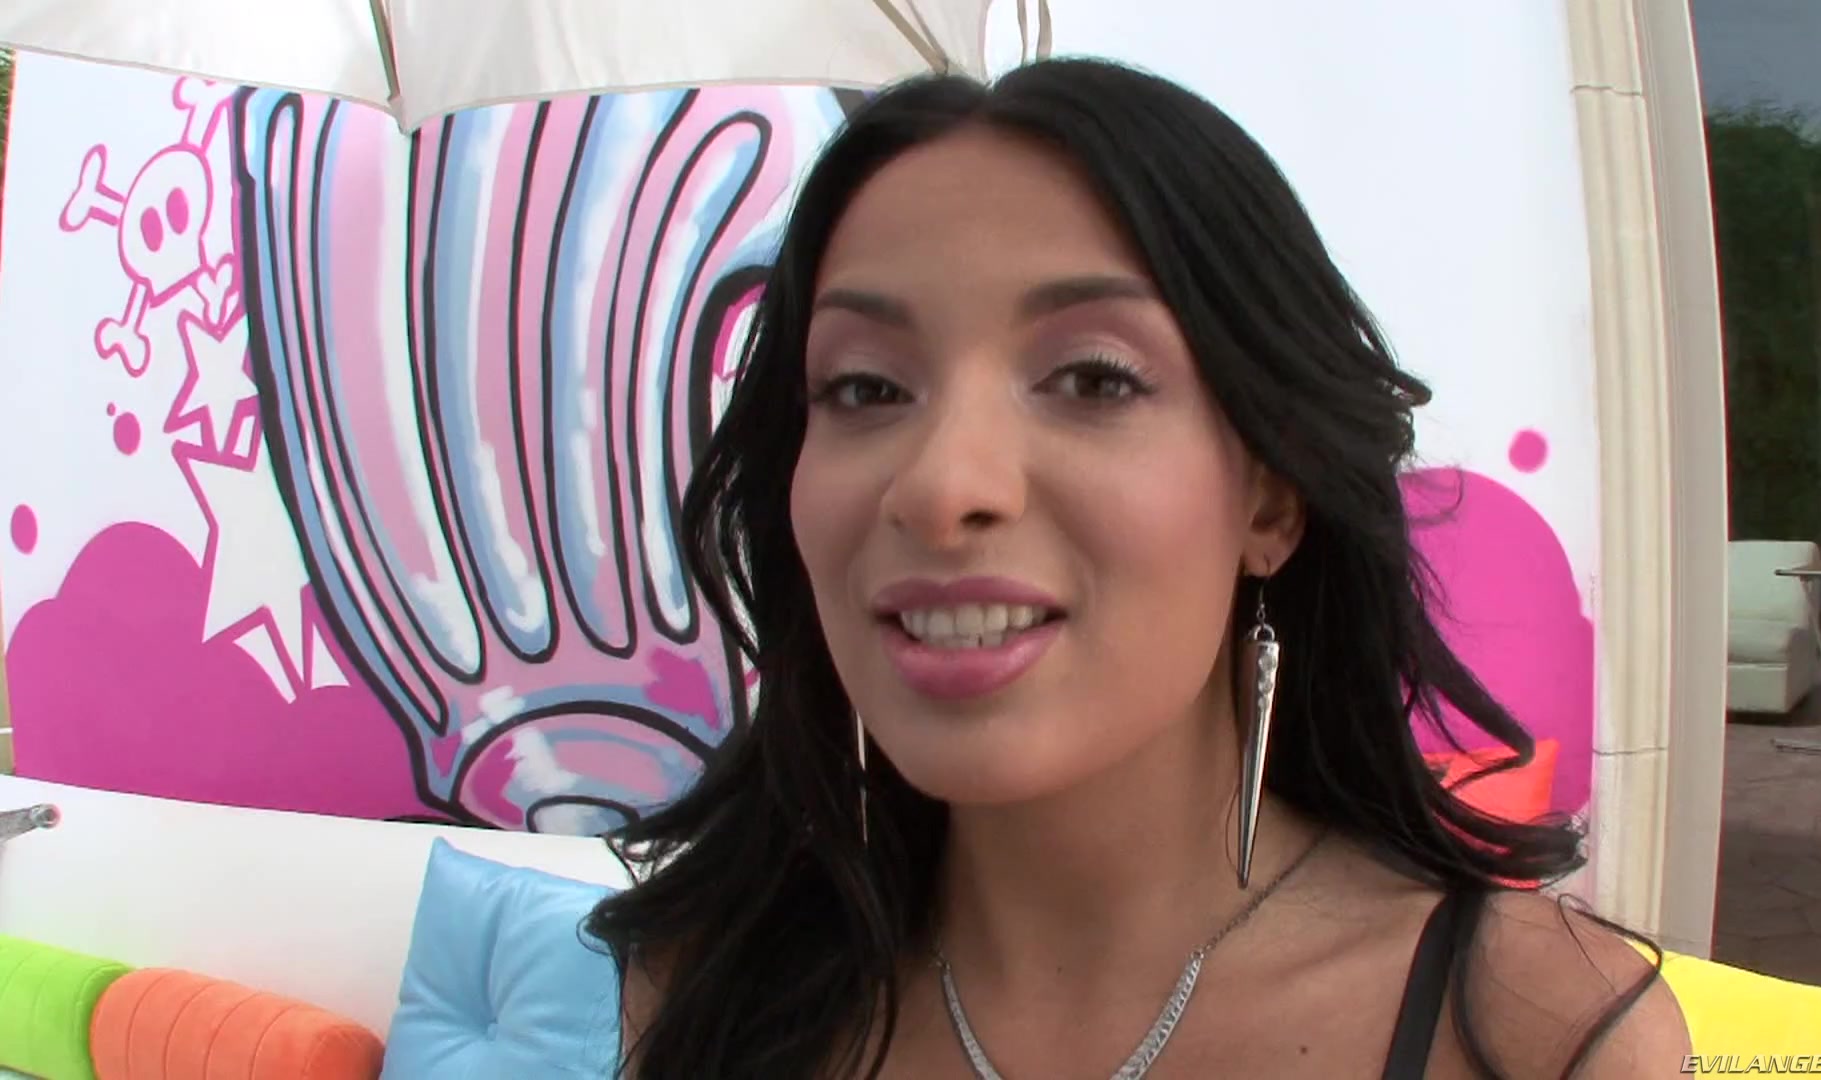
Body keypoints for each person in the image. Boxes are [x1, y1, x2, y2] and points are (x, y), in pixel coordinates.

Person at [585, 57, 1690, 1079]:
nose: (940, 485)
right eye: (865, 387)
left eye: (1094, 379)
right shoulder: (705, 990)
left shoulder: (1540, 1035)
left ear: (1271, 497)